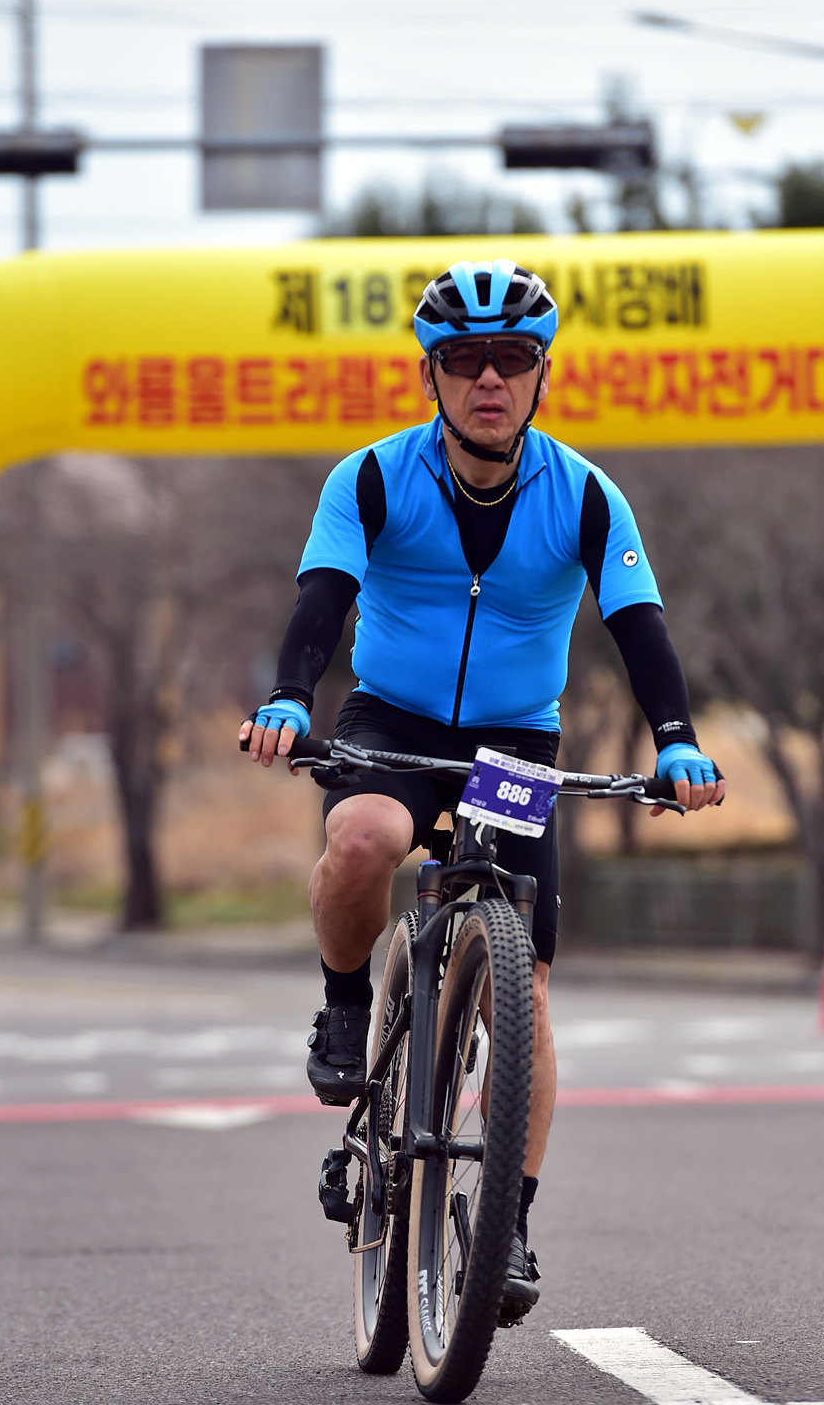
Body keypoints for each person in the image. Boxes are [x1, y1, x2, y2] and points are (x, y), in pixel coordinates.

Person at [240, 258, 724, 1322]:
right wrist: (287, 697)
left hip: (513, 744)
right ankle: (344, 1009)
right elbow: (323, 597)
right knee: (363, 838)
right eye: (465, 360)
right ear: (432, 376)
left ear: (542, 373)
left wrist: (679, 742)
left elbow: (641, 629)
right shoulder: (371, 479)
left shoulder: (586, 495)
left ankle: (507, 1223)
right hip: (392, 720)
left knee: (526, 990)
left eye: (512, 358)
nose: (489, 379)